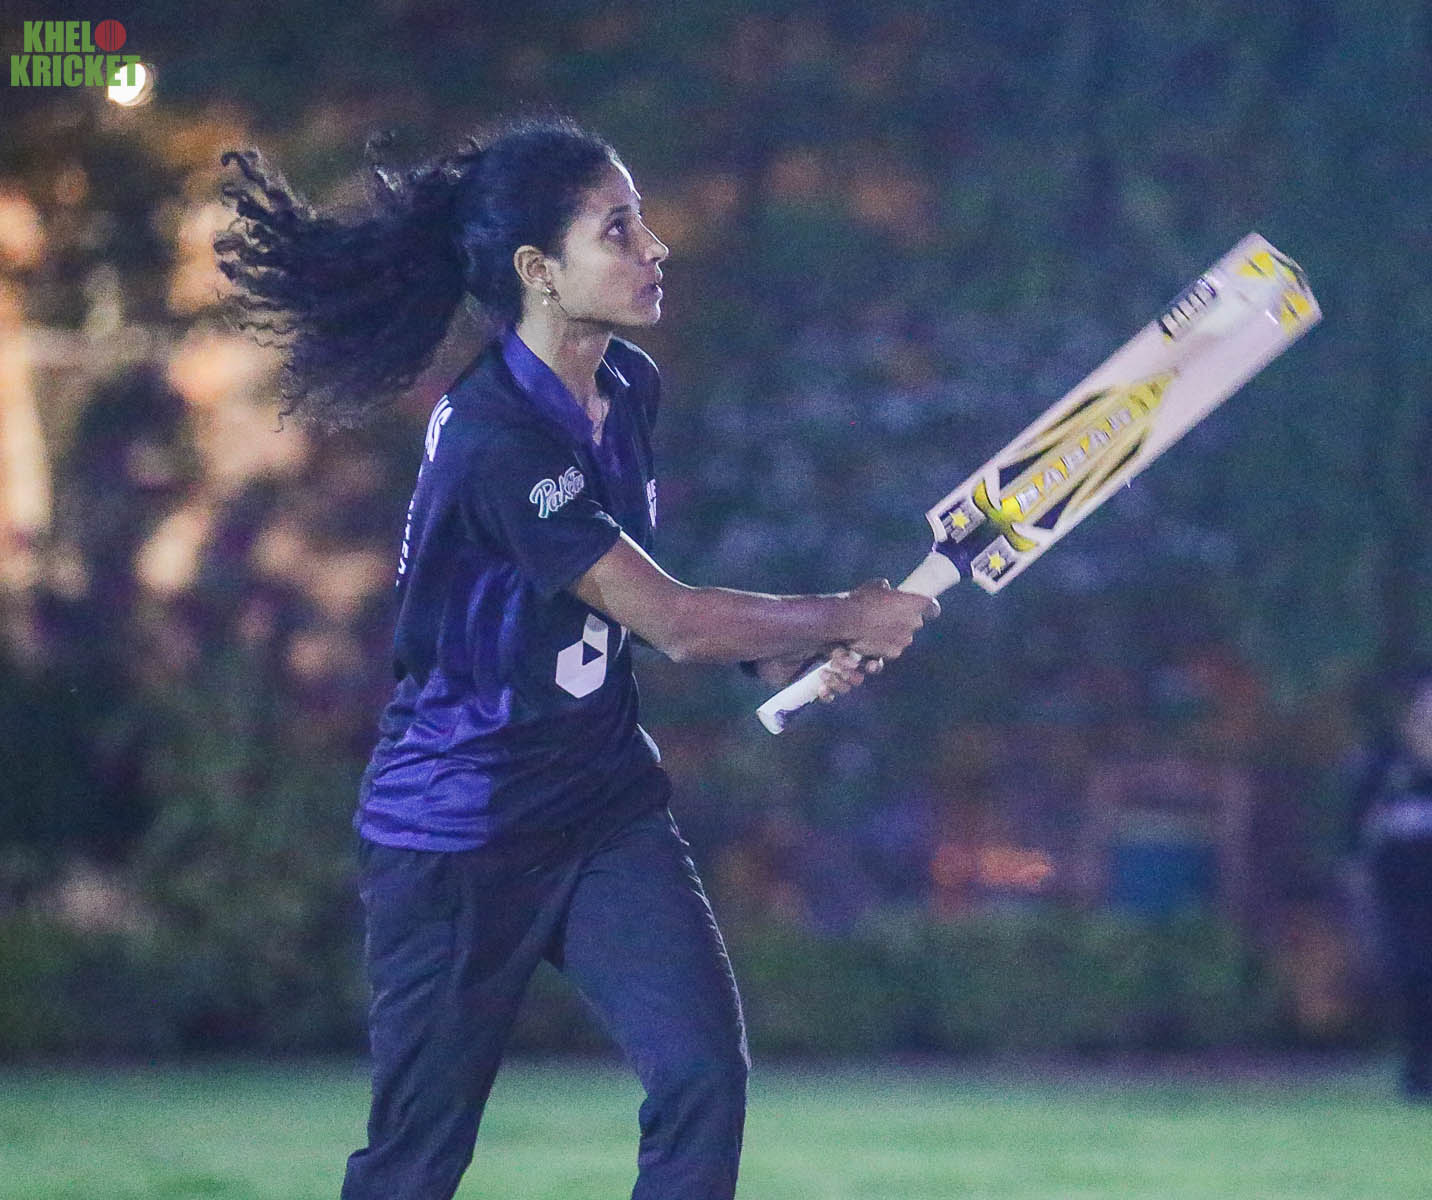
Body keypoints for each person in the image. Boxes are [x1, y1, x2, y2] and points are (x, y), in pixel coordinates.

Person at [215, 116, 937, 1199]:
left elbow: (626, 596)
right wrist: (845, 613)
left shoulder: (628, 386)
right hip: (459, 830)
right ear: (537, 271)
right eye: (617, 229)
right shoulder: (494, 436)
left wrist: (773, 657)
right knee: (416, 1161)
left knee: (701, 1078)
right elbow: (672, 619)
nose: (654, 247)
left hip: (601, 808)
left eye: (641, 222)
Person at [1351, 667, 1432, 1102]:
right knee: (1414, 979)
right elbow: (1358, 833)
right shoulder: (1385, 768)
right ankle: (1418, 1073)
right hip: (1403, 901)